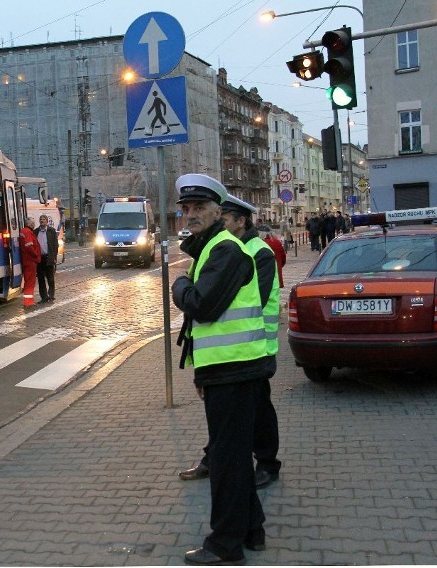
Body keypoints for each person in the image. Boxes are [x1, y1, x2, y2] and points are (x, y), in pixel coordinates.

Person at [171, 174, 274, 565]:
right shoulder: (212, 247)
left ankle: (224, 545)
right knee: (232, 456)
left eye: (200, 209)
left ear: (219, 211)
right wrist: (201, 374)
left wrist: (178, 286)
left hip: (234, 370)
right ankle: (252, 529)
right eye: (187, 209)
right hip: (228, 369)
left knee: (228, 463)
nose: (192, 215)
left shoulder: (224, 250)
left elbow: (202, 305)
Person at [179, 196, 283, 491]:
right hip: (225, 349)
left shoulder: (257, 252)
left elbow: (254, 300)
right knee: (224, 415)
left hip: (255, 347)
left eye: (225, 217)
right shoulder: (217, 248)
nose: (221, 221)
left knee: (260, 411)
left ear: (242, 221)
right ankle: (215, 459)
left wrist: (197, 297)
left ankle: (267, 463)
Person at [34, 214, 58, 303]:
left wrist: (54, 257)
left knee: (50, 278)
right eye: (40, 219)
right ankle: (44, 297)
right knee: (41, 279)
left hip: (49, 257)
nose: (42, 220)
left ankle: (51, 295)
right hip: (40, 258)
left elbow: (55, 245)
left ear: (47, 221)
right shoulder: (36, 231)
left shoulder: (51, 231)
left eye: (43, 219)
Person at [19, 217, 41, 308]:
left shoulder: (24, 231)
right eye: (33, 223)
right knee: (30, 282)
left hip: (27, 260)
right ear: (31, 224)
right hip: (30, 260)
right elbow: (29, 246)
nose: (34, 224)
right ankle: (28, 302)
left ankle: (29, 301)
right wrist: (36, 255)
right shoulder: (27, 232)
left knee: (29, 281)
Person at [260, 225, 286, 289]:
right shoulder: (277, 243)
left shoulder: (259, 243)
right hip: (276, 275)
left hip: (262, 276)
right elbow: (283, 259)